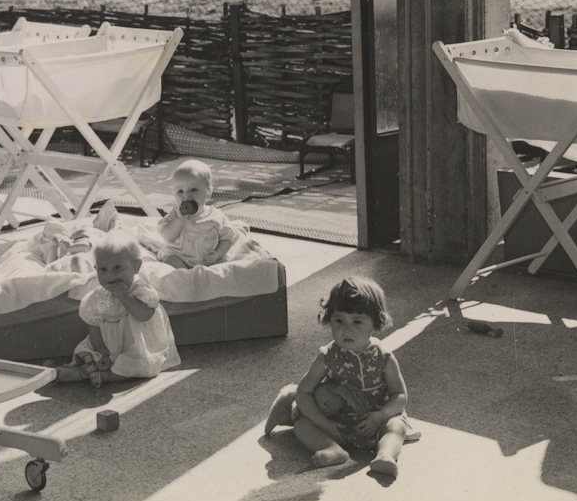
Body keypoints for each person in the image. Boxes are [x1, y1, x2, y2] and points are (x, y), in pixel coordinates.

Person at [273, 276, 415, 477]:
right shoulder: (326, 356)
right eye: (338, 320)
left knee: (396, 427)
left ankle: (385, 455)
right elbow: (303, 393)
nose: (346, 329)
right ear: (329, 319)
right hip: (336, 425)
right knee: (302, 426)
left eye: (357, 321)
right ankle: (333, 449)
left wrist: (380, 416)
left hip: (375, 421)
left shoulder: (384, 357)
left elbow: (400, 395)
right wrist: (324, 423)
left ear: (376, 322)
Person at [57, 230, 181, 387]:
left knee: (138, 362)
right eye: (103, 270)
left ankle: (108, 376)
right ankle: (84, 371)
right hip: (108, 345)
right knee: (87, 351)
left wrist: (125, 296)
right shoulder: (98, 296)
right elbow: (94, 326)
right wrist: (101, 351)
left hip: (137, 344)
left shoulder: (141, 290)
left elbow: (144, 315)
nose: (110, 275)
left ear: (136, 267)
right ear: (96, 269)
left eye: (117, 268)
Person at [157, 159, 241, 268]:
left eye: (193, 189)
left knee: (223, 266)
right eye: (180, 191)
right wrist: (179, 220)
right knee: (170, 260)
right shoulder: (175, 214)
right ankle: (185, 279)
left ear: (209, 192)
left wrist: (218, 254)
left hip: (207, 261)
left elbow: (229, 237)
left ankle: (202, 278)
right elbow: (168, 238)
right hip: (178, 256)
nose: (186, 196)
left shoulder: (216, 217)